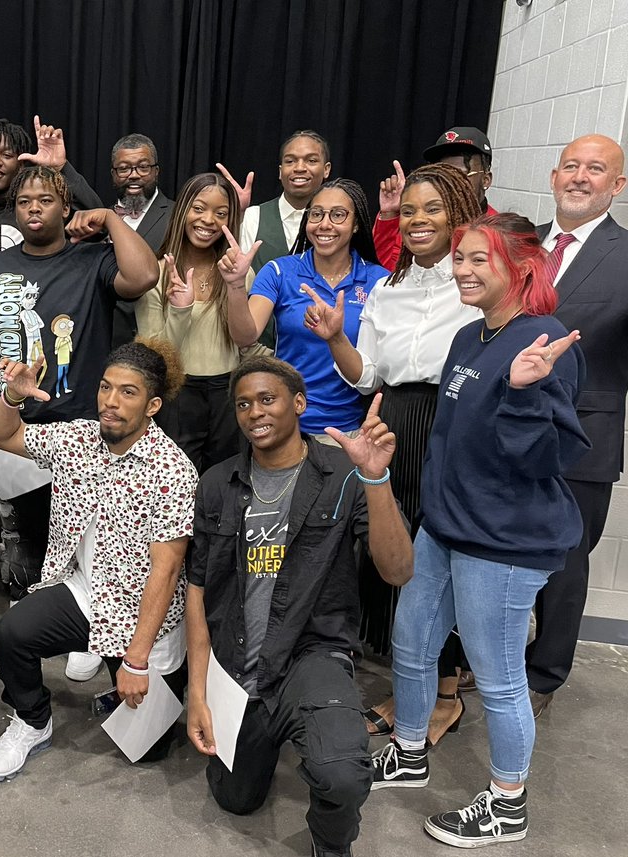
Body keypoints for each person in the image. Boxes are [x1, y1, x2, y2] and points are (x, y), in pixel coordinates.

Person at [372, 213, 588, 849]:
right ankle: (409, 752)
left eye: (477, 260)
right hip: (446, 528)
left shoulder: (544, 343)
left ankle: (507, 802)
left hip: (504, 542)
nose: (462, 269)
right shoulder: (470, 336)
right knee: (411, 641)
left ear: (520, 268)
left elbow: (548, 460)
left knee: (497, 676)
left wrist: (524, 393)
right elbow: (450, 439)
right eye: (459, 258)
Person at [185, 356, 413, 857]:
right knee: (236, 799)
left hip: (311, 653)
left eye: (267, 399)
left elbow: (397, 570)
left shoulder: (342, 474)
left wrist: (376, 479)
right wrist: (197, 692)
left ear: (299, 404)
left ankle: (330, 847)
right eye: (243, 404)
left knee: (343, 775)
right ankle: (267, 734)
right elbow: (198, 590)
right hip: (237, 662)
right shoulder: (217, 484)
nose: (254, 413)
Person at [302, 163, 484, 743]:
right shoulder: (388, 286)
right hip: (395, 424)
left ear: (458, 214)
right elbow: (368, 376)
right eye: (408, 211)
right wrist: (335, 337)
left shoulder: (476, 284)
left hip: (455, 423)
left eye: (433, 209)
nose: (418, 220)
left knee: (444, 551)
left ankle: (446, 693)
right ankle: (413, 681)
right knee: (397, 551)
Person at [0, 164, 159, 656]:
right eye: (25, 202)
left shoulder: (93, 260)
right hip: (16, 429)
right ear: (14, 211)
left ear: (66, 208)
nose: (34, 208)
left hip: (85, 426)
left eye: (45, 200)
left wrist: (108, 218)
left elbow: (145, 274)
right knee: (42, 536)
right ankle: (49, 621)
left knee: (95, 536)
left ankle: (92, 637)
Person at [0, 340, 198, 781]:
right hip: (85, 592)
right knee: (11, 634)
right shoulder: (77, 437)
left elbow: (167, 570)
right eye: (105, 387)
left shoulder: (174, 470)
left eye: (128, 392)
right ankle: (33, 721)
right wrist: (13, 396)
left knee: (149, 750)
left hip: (144, 619)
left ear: (153, 404)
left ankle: (127, 674)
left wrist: (136, 659)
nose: (110, 402)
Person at [527, 134, 628, 717]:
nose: (580, 177)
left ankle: (545, 675)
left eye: (596, 169)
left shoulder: (625, 253)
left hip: (583, 435)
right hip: (508, 426)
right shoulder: (524, 244)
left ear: (617, 186)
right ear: (554, 175)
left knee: (566, 561)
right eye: (571, 166)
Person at [220, 179, 388, 439]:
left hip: (350, 428)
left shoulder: (380, 280)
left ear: (356, 224)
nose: (325, 224)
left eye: (338, 215)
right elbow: (245, 336)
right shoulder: (280, 271)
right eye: (317, 214)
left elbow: (378, 372)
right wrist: (234, 286)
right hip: (286, 426)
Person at [135, 171, 261, 472]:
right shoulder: (155, 273)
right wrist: (180, 309)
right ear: (182, 211)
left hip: (229, 392)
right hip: (177, 394)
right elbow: (156, 358)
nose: (208, 220)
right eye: (199, 208)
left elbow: (244, 340)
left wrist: (235, 286)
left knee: (228, 480)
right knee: (178, 481)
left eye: (221, 213)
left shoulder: (238, 273)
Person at [0, 116, 102, 252]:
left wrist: (61, 167)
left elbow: (98, 227)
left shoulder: (37, 208)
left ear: (21, 164)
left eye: (7, 155)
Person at [372, 127, 497, 271]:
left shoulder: (499, 233)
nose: (449, 182)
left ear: (486, 180)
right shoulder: (420, 223)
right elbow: (384, 273)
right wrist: (390, 215)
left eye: (460, 174)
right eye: (441, 174)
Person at [108, 132, 175, 348]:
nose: (133, 175)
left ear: (156, 171)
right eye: (124, 168)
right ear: (113, 174)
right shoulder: (99, 220)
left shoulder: (178, 215)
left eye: (143, 167)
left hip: (157, 340)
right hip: (107, 340)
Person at [237, 131, 333, 273]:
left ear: (326, 169)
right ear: (281, 172)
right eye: (290, 161)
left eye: (311, 160)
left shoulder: (337, 222)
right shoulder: (253, 217)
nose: (299, 168)